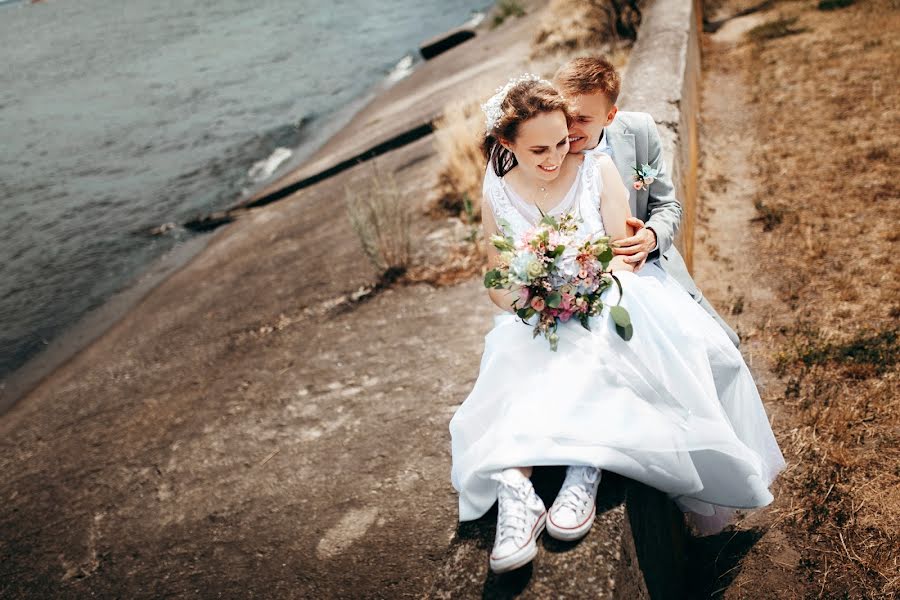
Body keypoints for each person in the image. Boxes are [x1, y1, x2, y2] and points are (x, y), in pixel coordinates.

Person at [449, 76, 785, 575]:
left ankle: (584, 471)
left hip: (606, 295)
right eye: (538, 148)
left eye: (562, 141)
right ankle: (518, 493)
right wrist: (529, 298)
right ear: (506, 143)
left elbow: (622, 256)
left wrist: (582, 287)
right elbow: (495, 276)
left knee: (597, 345)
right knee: (511, 358)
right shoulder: (495, 189)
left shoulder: (595, 169)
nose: (553, 157)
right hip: (537, 312)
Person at [555, 56, 740, 347]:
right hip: (583, 293)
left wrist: (651, 237)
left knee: (723, 346)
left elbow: (667, 205)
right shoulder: (546, 154)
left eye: (582, 119)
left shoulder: (639, 131)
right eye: (564, 115)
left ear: (610, 116)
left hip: (652, 269)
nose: (568, 128)